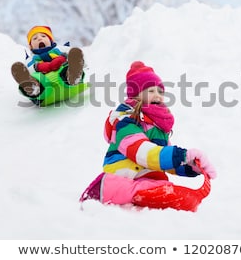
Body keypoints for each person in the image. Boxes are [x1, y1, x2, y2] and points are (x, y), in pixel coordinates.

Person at [80, 61, 216, 208]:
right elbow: (141, 151)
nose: (157, 95)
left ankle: (148, 192)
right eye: (151, 91)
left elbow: (165, 161)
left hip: (149, 179)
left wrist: (191, 165)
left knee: (180, 197)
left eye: (160, 92)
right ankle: (105, 187)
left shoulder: (157, 126)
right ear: (137, 95)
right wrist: (181, 154)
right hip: (126, 177)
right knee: (165, 194)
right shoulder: (126, 121)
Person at [11, 26, 85, 105]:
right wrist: (38, 67)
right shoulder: (31, 59)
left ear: (51, 40)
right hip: (44, 91)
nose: (40, 39)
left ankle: (73, 76)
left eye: (43, 36)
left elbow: (80, 59)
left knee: (66, 66)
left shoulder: (60, 49)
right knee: (36, 77)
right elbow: (28, 69)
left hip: (66, 82)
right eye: (35, 38)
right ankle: (33, 88)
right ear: (30, 46)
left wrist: (63, 58)